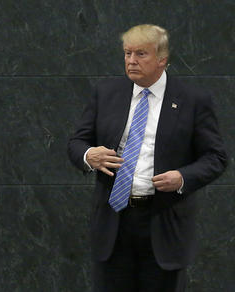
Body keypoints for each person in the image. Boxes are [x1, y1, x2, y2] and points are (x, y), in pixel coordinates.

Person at [67, 24, 227, 291]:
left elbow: (216, 157)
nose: (131, 61)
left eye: (141, 54)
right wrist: (87, 154)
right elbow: (76, 142)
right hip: (113, 223)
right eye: (127, 53)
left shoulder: (192, 100)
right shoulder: (106, 94)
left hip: (163, 222)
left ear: (162, 59)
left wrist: (182, 177)